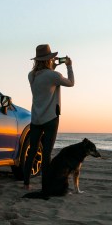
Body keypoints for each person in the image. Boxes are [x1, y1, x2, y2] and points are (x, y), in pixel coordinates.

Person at [23, 44, 74, 198]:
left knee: (32, 151)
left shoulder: (31, 75)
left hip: (36, 118)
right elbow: (71, 82)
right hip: (51, 118)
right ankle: (45, 186)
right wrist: (69, 66)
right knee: (46, 154)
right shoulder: (54, 75)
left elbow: (45, 76)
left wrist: (53, 64)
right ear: (49, 59)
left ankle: (26, 183)